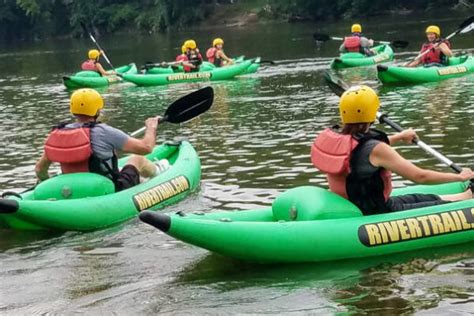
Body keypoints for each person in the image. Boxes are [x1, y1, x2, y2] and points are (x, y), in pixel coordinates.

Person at [311, 85, 473, 215]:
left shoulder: (339, 139)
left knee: (419, 198)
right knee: (436, 205)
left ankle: (467, 195)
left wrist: (400, 136)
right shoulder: (377, 149)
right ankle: (467, 197)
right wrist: (459, 177)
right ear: (372, 112)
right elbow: (420, 176)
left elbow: (361, 151)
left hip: (354, 203)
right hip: (377, 211)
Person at [35, 88, 166, 192]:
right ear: (97, 110)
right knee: (137, 159)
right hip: (108, 189)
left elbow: (40, 170)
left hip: (72, 188)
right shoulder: (104, 131)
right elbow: (146, 147)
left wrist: (51, 188)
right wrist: (151, 127)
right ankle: (160, 173)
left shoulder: (58, 133)